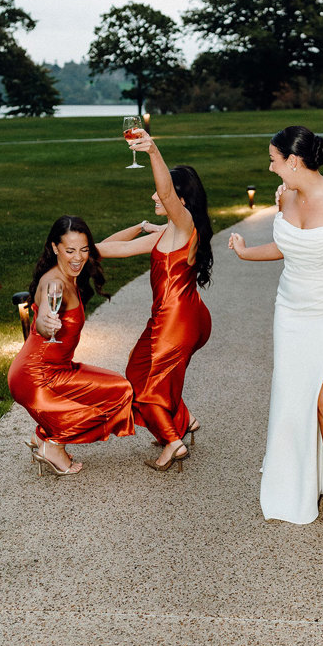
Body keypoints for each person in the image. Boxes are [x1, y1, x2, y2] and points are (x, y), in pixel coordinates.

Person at [229, 126, 323, 532]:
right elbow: (287, 247)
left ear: (293, 161)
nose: (270, 165)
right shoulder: (286, 197)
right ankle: (296, 482)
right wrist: (245, 253)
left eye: (273, 159)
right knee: (295, 397)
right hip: (291, 311)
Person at [97, 131, 212, 473]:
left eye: (164, 195)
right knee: (135, 373)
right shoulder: (166, 232)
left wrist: (153, 150)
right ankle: (184, 421)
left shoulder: (186, 225)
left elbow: (163, 190)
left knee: (149, 387)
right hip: (166, 317)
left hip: (178, 319)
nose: (155, 196)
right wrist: (138, 226)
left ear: (181, 199)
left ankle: (173, 444)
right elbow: (107, 248)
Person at [8, 216, 134, 476]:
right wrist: (45, 323)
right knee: (101, 408)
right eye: (70, 250)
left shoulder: (77, 264)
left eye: (84, 249)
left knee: (120, 389)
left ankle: (42, 436)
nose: (78, 257)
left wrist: (144, 226)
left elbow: (112, 246)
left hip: (60, 369)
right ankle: (52, 444)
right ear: (55, 248)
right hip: (35, 377)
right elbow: (44, 315)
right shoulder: (54, 283)